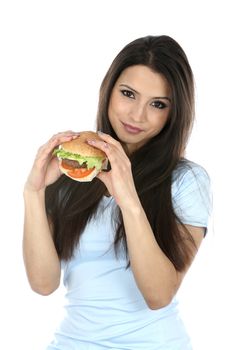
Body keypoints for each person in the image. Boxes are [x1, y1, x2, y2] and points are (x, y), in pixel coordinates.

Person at [23, 35, 212, 350]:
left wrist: (129, 200)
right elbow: (43, 284)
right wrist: (34, 192)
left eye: (158, 104)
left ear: (174, 112)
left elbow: (159, 294)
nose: (138, 115)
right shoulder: (72, 171)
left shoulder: (186, 180)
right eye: (128, 94)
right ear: (108, 91)